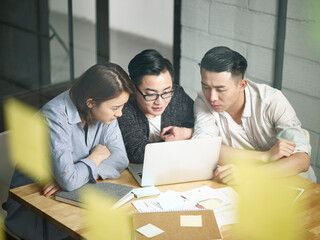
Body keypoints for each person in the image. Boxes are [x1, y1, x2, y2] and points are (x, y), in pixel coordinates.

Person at [5, 63, 135, 239]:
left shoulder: (106, 114)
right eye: (115, 108)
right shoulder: (54, 116)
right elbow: (69, 180)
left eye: (122, 106)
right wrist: (95, 158)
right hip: (35, 211)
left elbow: (120, 159)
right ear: (90, 102)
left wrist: (77, 176)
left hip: (71, 200)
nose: (120, 113)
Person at [193, 46, 316, 185]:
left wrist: (249, 174)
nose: (212, 97)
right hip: (244, 187)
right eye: (206, 87)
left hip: (295, 185)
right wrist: (265, 157)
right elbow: (205, 149)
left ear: (242, 85)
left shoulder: (272, 101)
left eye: (220, 89)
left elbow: (301, 161)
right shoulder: (203, 101)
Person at [118, 49, 194, 163]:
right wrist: (180, 143)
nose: (160, 101)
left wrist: (187, 132)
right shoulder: (122, 107)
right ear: (133, 88)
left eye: (166, 92)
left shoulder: (176, 95)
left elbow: (207, 126)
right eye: (151, 94)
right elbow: (140, 153)